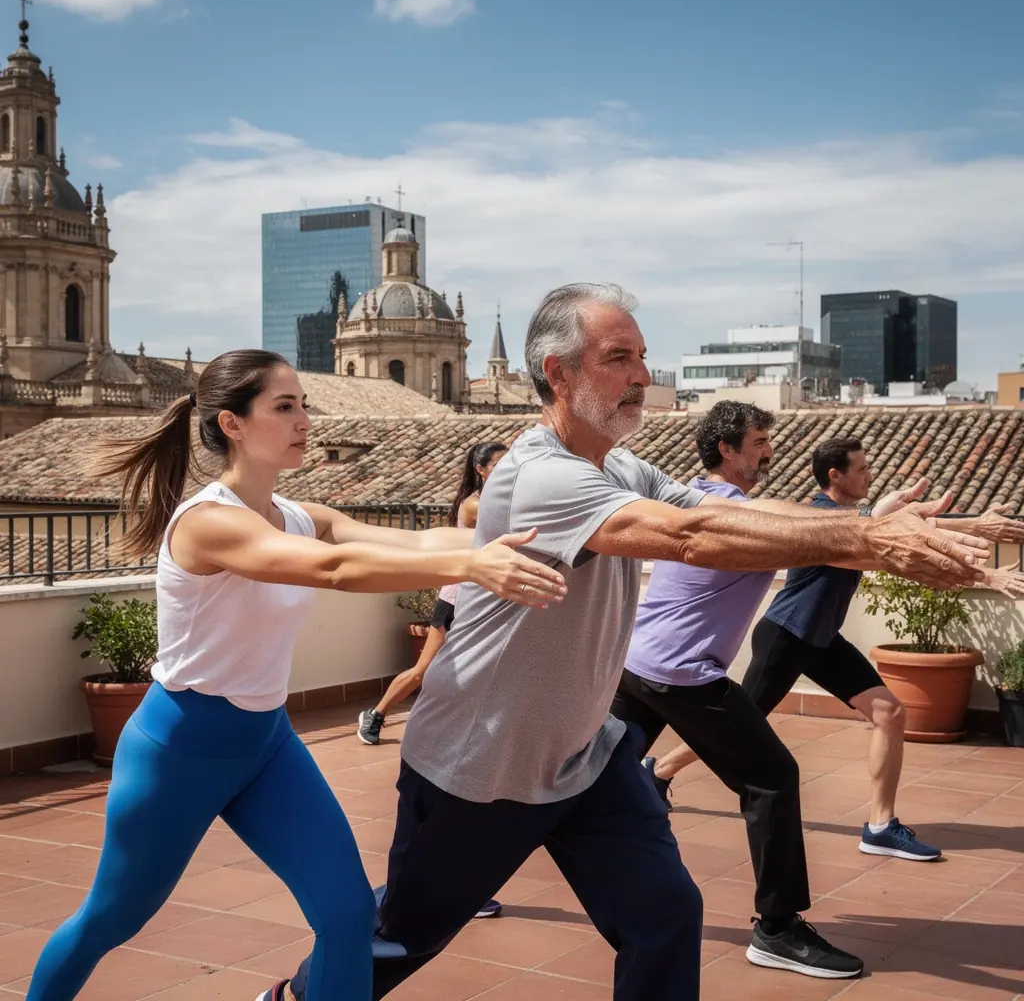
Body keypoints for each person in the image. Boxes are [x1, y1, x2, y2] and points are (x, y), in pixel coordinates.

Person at [268, 283, 989, 1001]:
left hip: (585, 754)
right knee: (402, 937)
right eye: (620, 358)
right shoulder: (542, 477)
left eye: (642, 356)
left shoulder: (614, 464)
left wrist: (864, 521)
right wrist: (867, 540)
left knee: (664, 916)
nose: (642, 375)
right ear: (559, 374)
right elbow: (691, 536)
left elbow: (717, 508)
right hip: (484, 762)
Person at [25, 350, 566, 1001]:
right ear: (232, 423)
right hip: (180, 750)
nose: (305, 420)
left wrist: (527, 542)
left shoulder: (301, 515)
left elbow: (413, 542)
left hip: (265, 746)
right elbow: (332, 569)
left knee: (347, 915)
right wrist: (473, 570)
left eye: (303, 404)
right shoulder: (207, 522)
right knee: (111, 919)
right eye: (284, 407)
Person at [612, 401, 1024, 981]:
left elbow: (836, 525)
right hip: (682, 672)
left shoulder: (693, 499)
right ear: (726, 450)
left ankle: (485, 862)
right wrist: (978, 567)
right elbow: (845, 538)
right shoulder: (740, 516)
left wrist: (899, 520)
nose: (769, 452)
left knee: (587, 774)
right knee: (772, 777)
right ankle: (777, 929)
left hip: (637, 665)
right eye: (758, 442)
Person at [742, 436, 1024, 863]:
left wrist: (979, 526)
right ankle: (660, 771)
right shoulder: (822, 520)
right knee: (737, 724)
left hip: (821, 640)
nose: (870, 476)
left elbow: (916, 528)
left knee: (890, 713)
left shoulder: (857, 517)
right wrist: (987, 577)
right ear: (835, 476)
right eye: (862, 469)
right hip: (786, 635)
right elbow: (899, 549)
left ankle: (880, 826)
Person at [357, 441, 508, 748]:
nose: (506, 469)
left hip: (484, 597)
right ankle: (375, 714)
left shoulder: (500, 499)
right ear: (481, 470)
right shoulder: (475, 505)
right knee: (423, 669)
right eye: (498, 464)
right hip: (457, 598)